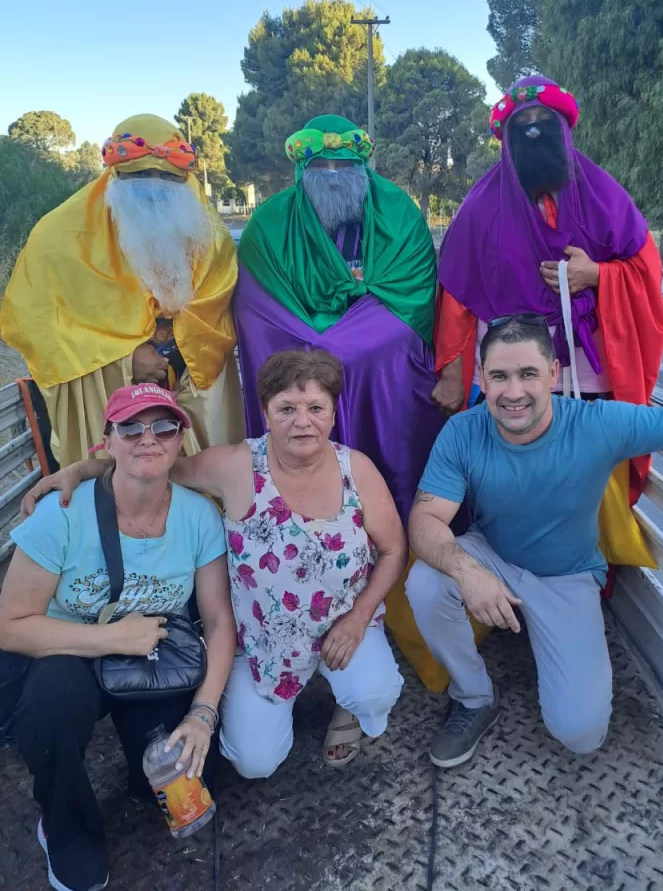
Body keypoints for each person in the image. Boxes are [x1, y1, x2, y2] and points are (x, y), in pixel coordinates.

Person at [22, 349, 407, 775]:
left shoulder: (357, 469)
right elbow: (154, 464)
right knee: (254, 763)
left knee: (374, 692)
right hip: (261, 642)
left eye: (316, 408)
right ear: (265, 413)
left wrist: (359, 618)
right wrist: (82, 469)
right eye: (287, 408)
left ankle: (348, 706)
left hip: (344, 625)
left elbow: (393, 550)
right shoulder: (235, 465)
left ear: (333, 414)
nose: (302, 421)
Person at [406, 316, 663, 768]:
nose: (513, 392)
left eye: (528, 374)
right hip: (492, 555)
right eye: (499, 376)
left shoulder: (597, 424)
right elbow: (425, 519)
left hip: (567, 576)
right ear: (481, 376)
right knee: (425, 582)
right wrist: (468, 572)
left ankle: (552, 644)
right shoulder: (463, 431)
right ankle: (474, 696)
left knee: (580, 732)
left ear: (553, 373)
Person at [0, 384, 236, 891]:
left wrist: (203, 713)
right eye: (130, 427)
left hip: (149, 654)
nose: (148, 438)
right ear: (106, 441)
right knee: (50, 708)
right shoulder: (61, 512)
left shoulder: (199, 515)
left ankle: (141, 762)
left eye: (163, 427)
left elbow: (218, 621)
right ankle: (64, 828)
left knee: (184, 779)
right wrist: (112, 639)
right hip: (68, 651)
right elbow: (10, 625)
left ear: (179, 440)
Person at [432, 77, 663, 504]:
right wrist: (451, 374)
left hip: (588, 379)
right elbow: (457, 296)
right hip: (509, 380)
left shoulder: (605, 197)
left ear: (563, 130)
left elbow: (645, 269)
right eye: (523, 125)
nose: (534, 131)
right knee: (512, 491)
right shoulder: (479, 208)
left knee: (592, 491)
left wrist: (597, 274)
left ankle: (593, 548)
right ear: (507, 140)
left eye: (544, 121)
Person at [0, 113, 244, 467]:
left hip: (188, 380)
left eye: (168, 177)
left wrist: (176, 354)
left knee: (194, 481)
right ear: (114, 175)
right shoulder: (59, 237)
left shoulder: (210, 235)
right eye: (140, 175)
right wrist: (126, 359)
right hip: (105, 393)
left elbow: (214, 311)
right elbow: (41, 325)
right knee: (118, 481)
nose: (155, 186)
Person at [234, 114, 444, 525]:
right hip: (298, 359)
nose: (332, 175)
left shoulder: (398, 213)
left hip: (380, 368)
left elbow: (412, 298)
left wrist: (336, 344)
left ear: (363, 167)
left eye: (344, 165)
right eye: (321, 166)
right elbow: (258, 309)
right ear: (301, 170)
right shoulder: (269, 223)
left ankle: (398, 532)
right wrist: (319, 349)